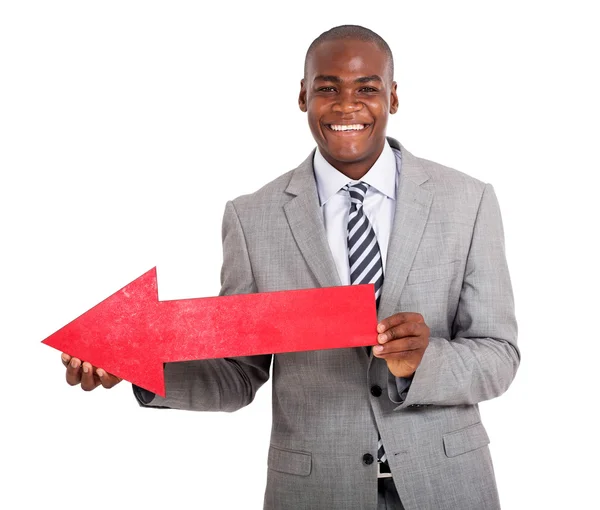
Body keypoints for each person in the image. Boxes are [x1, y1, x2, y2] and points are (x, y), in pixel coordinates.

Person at [60, 25, 519, 510]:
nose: (347, 105)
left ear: (393, 97)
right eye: (328, 88)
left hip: (448, 485)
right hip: (314, 491)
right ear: (303, 96)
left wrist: (424, 363)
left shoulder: (467, 200)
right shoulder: (252, 217)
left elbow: (499, 355)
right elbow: (239, 374)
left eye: (367, 88)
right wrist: (140, 366)